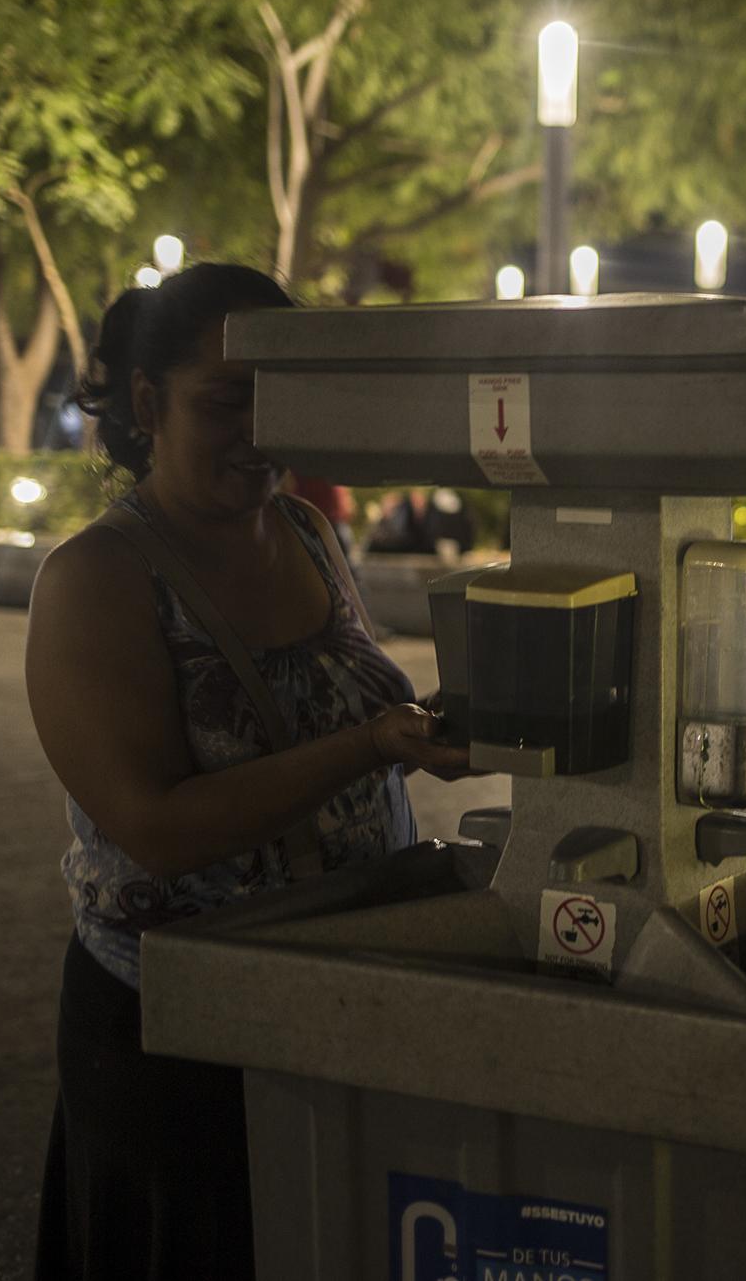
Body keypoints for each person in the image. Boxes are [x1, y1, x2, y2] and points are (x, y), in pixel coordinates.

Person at [23, 264, 471, 1281]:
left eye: (281, 401)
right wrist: (369, 746)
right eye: (227, 401)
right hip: (172, 1036)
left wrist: (441, 723)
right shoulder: (96, 577)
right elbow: (156, 824)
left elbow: (356, 710)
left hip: (336, 999)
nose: (258, 432)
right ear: (147, 403)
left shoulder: (308, 534)